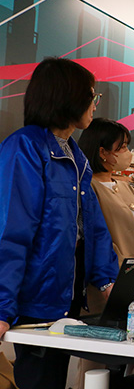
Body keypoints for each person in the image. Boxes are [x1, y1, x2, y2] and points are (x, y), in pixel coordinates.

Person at [0, 57, 119, 389]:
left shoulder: (76, 157)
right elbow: (11, 232)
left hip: (66, 301)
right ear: (69, 96)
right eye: (91, 96)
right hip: (33, 303)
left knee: (55, 380)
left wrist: (109, 282)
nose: (95, 105)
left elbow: (92, 230)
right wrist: (1, 307)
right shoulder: (25, 148)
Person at [77, 117, 134, 386]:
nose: (127, 153)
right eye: (121, 147)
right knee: (97, 367)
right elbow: (96, 240)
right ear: (103, 153)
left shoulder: (124, 186)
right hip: (106, 287)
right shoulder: (88, 189)